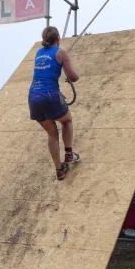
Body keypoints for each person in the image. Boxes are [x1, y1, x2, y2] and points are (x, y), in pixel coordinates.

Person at [28, 26, 80, 180]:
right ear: (58, 39)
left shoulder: (38, 53)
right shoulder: (60, 52)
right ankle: (69, 154)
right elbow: (74, 77)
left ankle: (59, 170)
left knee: (52, 134)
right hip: (50, 95)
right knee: (67, 120)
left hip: (33, 97)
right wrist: (70, 74)